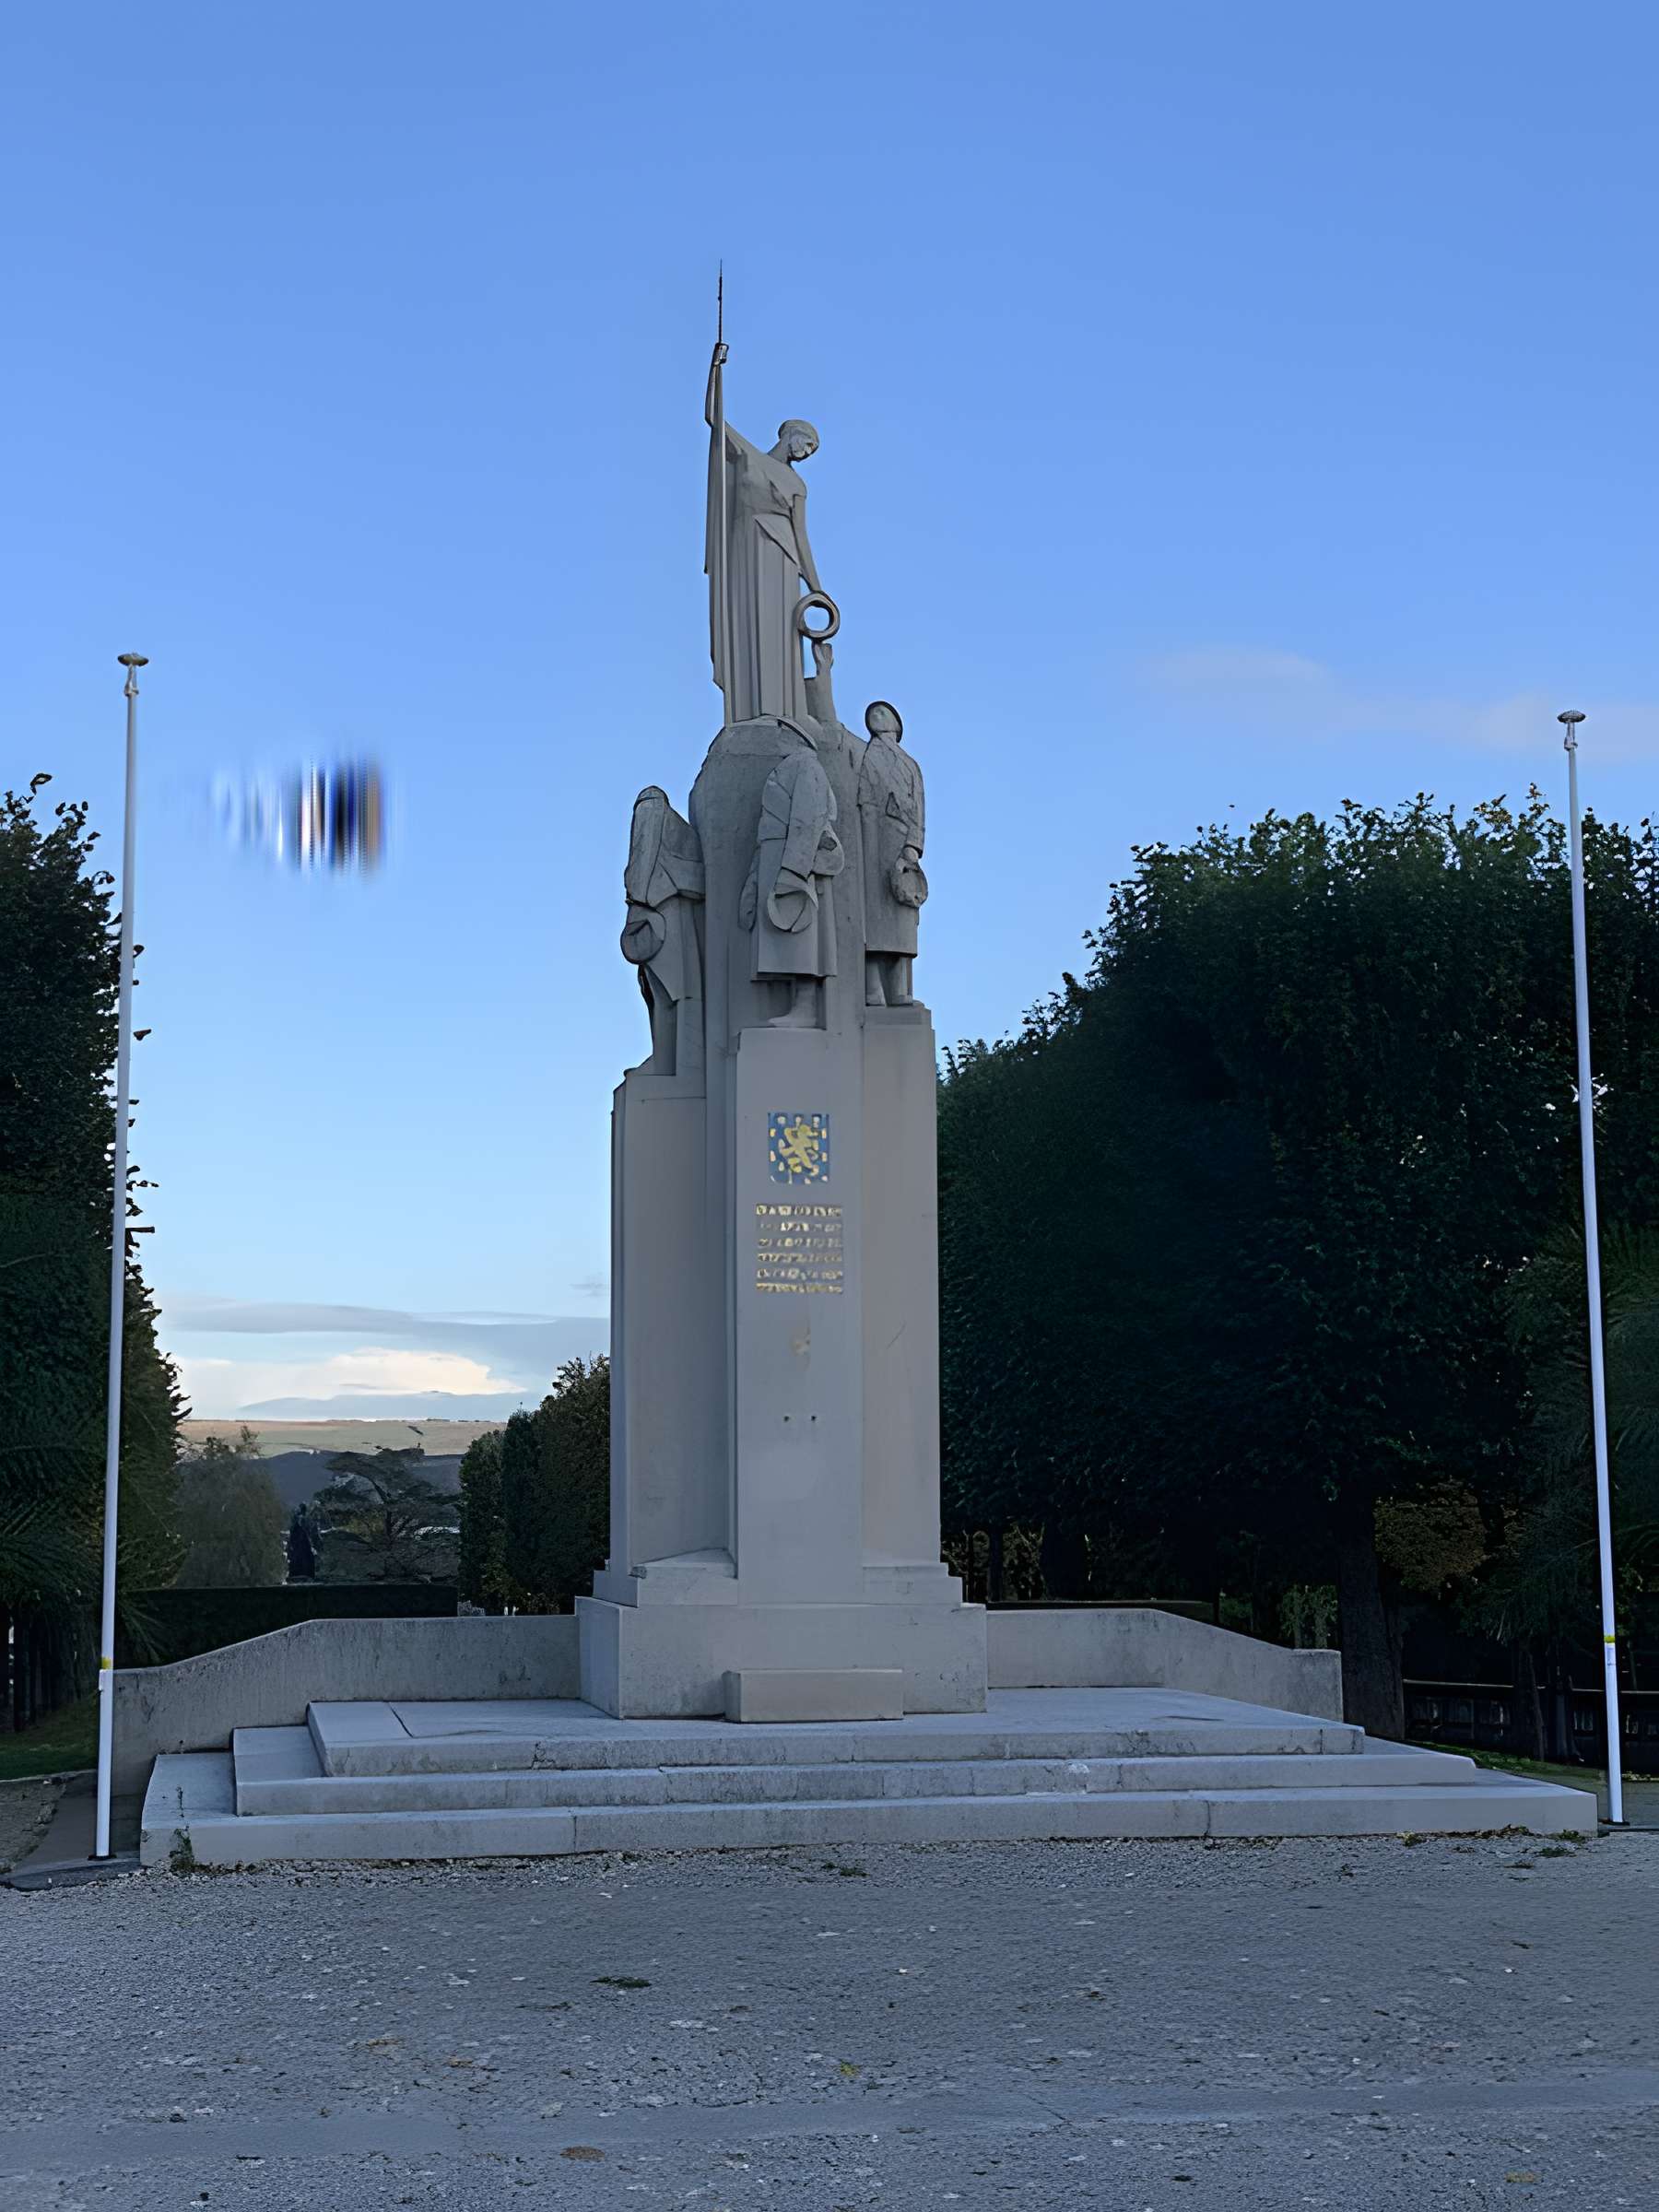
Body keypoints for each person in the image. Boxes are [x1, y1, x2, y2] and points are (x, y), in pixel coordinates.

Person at [705, 339, 827, 727]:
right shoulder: (749, 456)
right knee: (747, 623)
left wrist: (817, 587)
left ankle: (783, 713)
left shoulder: (797, 485)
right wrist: (715, 371)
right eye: (806, 441)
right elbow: (713, 417)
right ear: (790, 434)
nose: (807, 451)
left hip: (781, 556)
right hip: (744, 545)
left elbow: (802, 536)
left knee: (778, 632)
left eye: (812, 449)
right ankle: (750, 710)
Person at [855, 700, 926, 1006]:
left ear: (897, 725)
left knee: (901, 919)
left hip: (900, 845)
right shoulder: (865, 756)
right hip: (872, 842)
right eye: (872, 714)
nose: (875, 717)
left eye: (883, 713)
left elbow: (920, 809)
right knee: (872, 919)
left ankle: (899, 987)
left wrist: (913, 844)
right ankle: (873, 988)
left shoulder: (910, 765)